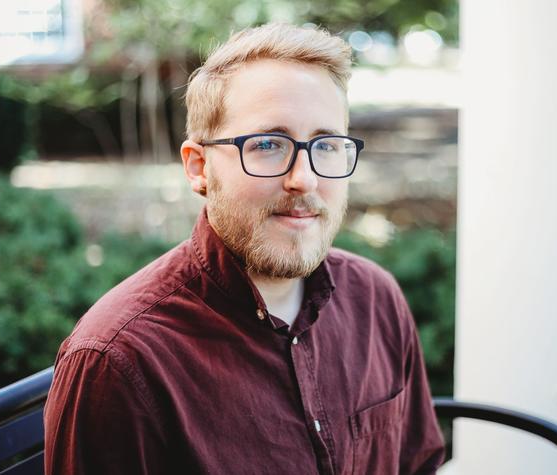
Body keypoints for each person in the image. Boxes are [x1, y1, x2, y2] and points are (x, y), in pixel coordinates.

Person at [44, 23, 445, 474]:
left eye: (326, 145)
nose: (304, 179)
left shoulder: (376, 300)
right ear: (199, 168)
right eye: (269, 145)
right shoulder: (119, 362)